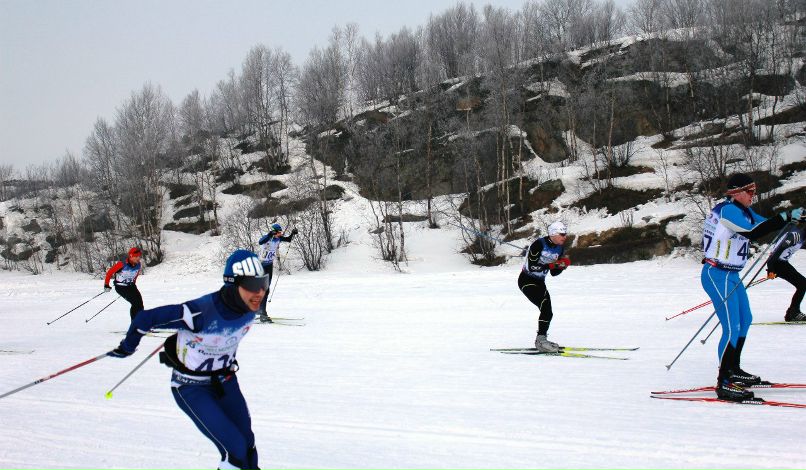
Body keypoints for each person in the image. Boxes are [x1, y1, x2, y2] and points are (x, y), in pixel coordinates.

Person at [108, 249, 268, 470]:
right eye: (251, 285)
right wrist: (127, 347)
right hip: (192, 388)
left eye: (263, 283)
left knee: (248, 447)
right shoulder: (200, 312)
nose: (259, 292)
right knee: (236, 451)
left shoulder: (250, 309)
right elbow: (144, 319)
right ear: (232, 285)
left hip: (226, 381)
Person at [701, 173, 804, 402]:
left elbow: (764, 224)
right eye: (750, 191)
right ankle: (724, 382)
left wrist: (793, 219)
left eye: (754, 191)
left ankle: (733, 369)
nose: (753, 196)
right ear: (736, 192)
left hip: (731, 274)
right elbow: (752, 233)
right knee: (732, 327)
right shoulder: (727, 210)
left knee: (745, 319)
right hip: (716, 273)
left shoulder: (743, 211)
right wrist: (785, 216)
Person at [518, 221, 571, 352]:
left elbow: (553, 273)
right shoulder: (538, 244)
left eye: (565, 234)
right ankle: (541, 342)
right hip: (527, 280)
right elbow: (532, 267)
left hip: (540, 282)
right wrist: (551, 265)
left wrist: (562, 266)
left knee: (548, 311)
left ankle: (542, 340)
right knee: (545, 306)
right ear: (553, 233)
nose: (565, 237)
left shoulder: (560, 248)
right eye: (562, 234)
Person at [256, 223, 298, 322]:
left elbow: (288, 239)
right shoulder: (268, 238)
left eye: (280, 232)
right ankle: (262, 313)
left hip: (269, 265)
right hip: (261, 266)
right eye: (279, 232)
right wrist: (270, 234)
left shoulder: (278, 238)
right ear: (274, 232)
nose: (280, 234)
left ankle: (261, 311)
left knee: (266, 290)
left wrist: (293, 233)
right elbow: (260, 241)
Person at [766, 224, 806, 321]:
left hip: (782, 263)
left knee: (803, 284)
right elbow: (777, 251)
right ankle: (793, 313)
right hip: (777, 263)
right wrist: (771, 269)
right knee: (803, 284)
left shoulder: (802, 236)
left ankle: (792, 313)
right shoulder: (795, 236)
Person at [104, 247, 144, 320]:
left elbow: (135, 275)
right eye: (136, 257)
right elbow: (109, 273)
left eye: (139, 256)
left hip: (131, 286)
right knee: (135, 304)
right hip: (121, 287)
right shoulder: (121, 264)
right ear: (131, 256)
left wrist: (133, 284)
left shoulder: (138, 265)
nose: (138, 258)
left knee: (140, 304)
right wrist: (106, 285)